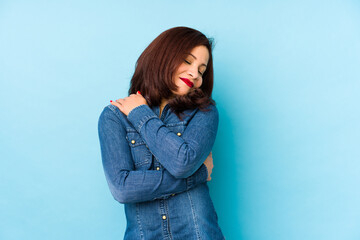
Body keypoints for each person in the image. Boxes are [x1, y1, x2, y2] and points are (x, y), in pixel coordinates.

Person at [98, 26, 224, 239]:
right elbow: (123, 189)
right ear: (162, 57)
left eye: (202, 70)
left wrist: (140, 114)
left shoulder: (204, 112)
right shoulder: (114, 116)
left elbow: (182, 163)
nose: (195, 74)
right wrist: (198, 175)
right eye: (187, 61)